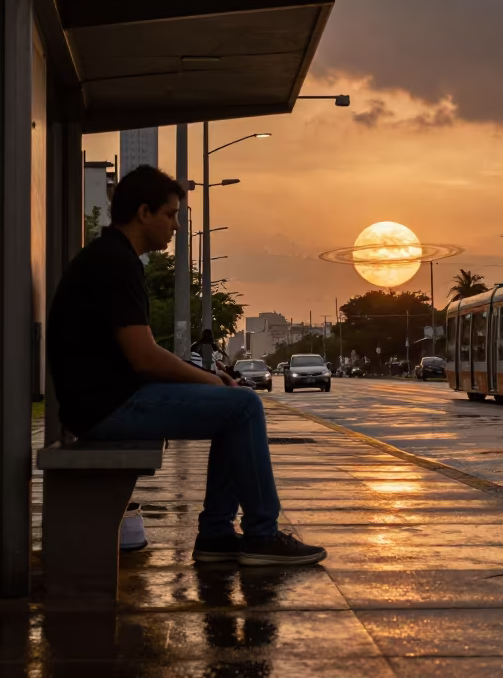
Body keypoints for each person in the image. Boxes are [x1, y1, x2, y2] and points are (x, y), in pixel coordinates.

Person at [47, 165, 326, 566]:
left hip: (101, 402)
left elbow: (139, 353)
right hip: (106, 408)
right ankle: (261, 535)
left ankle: (216, 534)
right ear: (144, 213)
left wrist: (212, 378)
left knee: (235, 406)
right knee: (244, 406)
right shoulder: (114, 262)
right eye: (171, 214)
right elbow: (144, 358)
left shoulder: (113, 257)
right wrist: (211, 381)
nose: (176, 226)